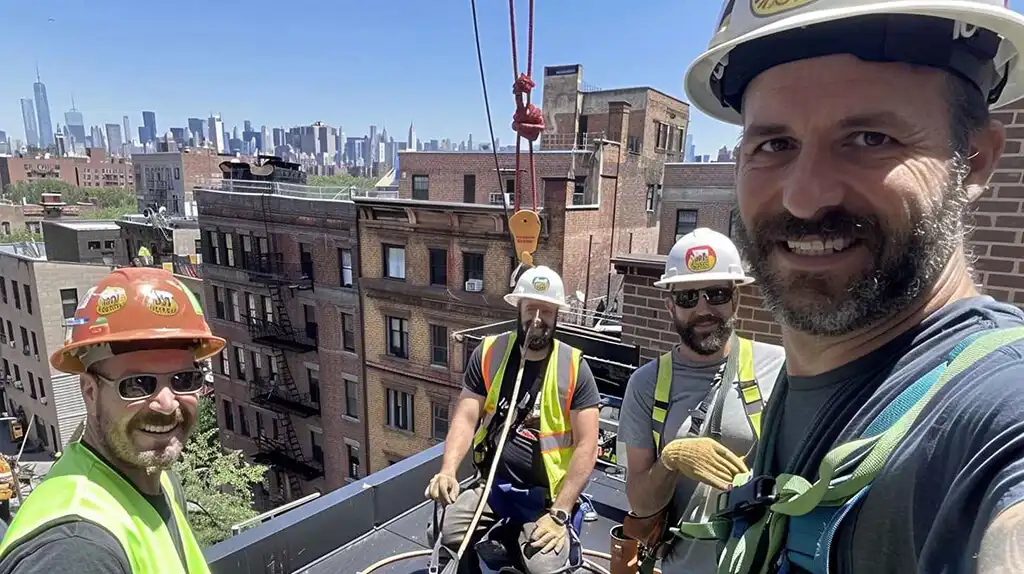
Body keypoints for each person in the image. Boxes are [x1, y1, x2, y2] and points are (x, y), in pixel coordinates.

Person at [671, 1, 1024, 573]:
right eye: (774, 145)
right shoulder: (803, 385)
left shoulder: (994, 414)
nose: (804, 197)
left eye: (870, 137)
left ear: (975, 160)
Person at [0, 267, 224, 574]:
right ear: (90, 392)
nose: (167, 403)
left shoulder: (154, 477)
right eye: (137, 384)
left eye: (184, 379)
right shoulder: (75, 551)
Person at [619, 228, 785, 573]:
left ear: (735, 299)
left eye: (717, 293)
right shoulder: (646, 385)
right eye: (687, 298)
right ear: (669, 305)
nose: (703, 309)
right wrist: (671, 458)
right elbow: (640, 502)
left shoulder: (780, 369)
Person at [425, 266, 601, 574]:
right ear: (517, 308)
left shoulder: (574, 368)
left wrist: (560, 511)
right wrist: (448, 471)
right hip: (493, 487)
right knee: (443, 531)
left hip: (546, 499)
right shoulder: (489, 353)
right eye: (531, 308)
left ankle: (520, 538)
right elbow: (466, 417)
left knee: (545, 565)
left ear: (557, 314)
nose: (537, 319)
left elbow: (588, 445)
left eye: (546, 310)